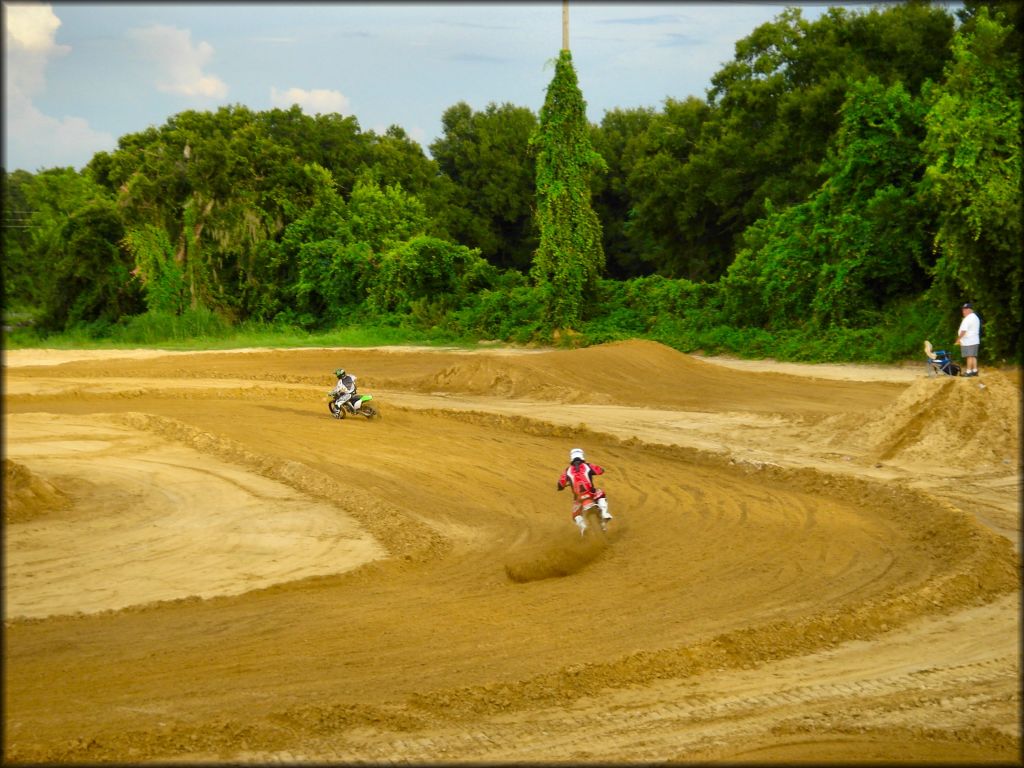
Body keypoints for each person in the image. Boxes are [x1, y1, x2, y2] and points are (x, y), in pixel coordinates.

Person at [557, 447, 612, 535]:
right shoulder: (588, 466)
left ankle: (583, 527)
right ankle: (605, 513)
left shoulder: (567, 471)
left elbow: (561, 483)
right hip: (591, 493)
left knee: (575, 515)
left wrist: (560, 486)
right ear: (582, 456)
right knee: (601, 494)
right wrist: (601, 470)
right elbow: (600, 470)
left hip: (578, 499)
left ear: (571, 457)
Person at [955, 303, 981, 377]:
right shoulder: (975, 317)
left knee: (969, 356)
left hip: (968, 341)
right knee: (973, 356)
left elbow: (963, 331)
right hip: (975, 340)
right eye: (963, 309)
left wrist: (958, 339)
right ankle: (975, 371)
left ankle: (969, 372)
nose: (963, 311)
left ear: (970, 310)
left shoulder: (968, 318)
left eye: (965, 309)